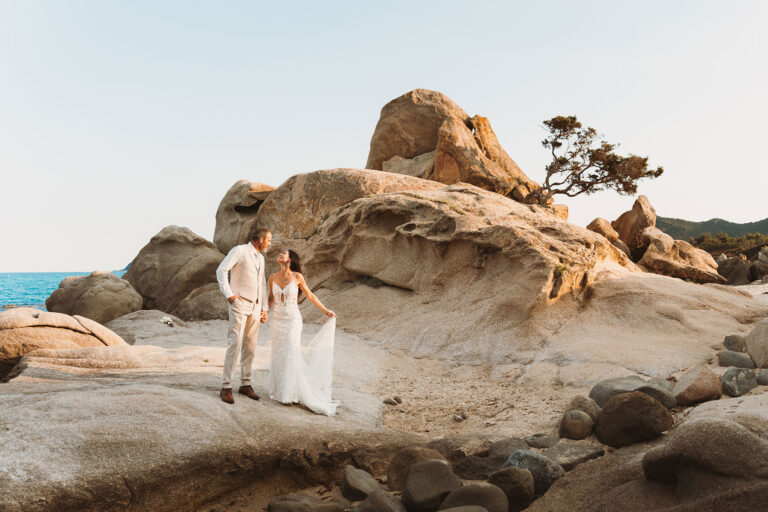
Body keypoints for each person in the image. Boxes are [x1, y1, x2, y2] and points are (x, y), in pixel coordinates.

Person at [268, 249, 338, 416]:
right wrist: (262, 312)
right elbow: (269, 299)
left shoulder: (297, 277)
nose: (279, 255)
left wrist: (324, 310)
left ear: (290, 259)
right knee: (278, 353)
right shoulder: (272, 277)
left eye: (283, 253)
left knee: (292, 351)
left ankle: (290, 393)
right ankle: (280, 391)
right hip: (276, 320)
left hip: (292, 319)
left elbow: (310, 295)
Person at [215, 227, 271, 404]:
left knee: (251, 346)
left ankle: (245, 384)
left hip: (255, 307)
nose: (270, 243)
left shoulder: (261, 258)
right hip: (239, 303)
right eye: (268, 240)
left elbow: (262, 283)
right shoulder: (239, 250)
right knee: (235, 343)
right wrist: (229, 295)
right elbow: (221, 270)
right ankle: (226, 386)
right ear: (260, 239)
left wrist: (264, 307)